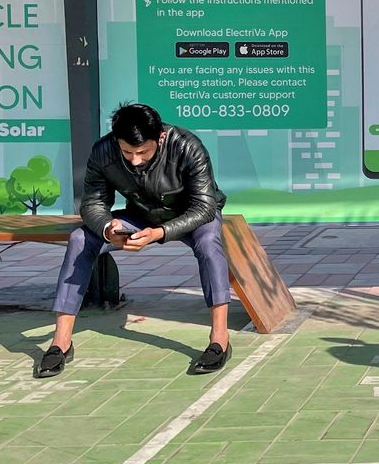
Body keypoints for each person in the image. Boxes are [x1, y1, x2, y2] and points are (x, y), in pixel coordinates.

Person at [37, 103, 232, 378]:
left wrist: (159, 232)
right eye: (127, 152)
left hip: (191, 215)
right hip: (140, 216)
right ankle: (60, 343)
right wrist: (108, 228)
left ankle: (219, 339)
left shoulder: (188, 146)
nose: (135, 161)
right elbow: (92, 204)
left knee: (209, 242)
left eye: (143, 152)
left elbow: (204, 207)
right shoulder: (103, 150)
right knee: (80, 239)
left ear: (160, 137)